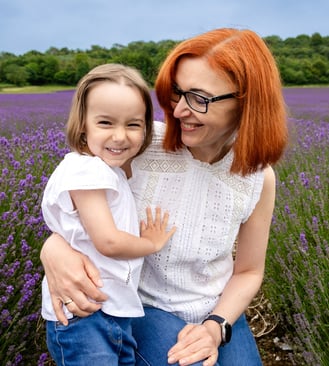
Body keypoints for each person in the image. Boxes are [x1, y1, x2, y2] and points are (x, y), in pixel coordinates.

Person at [40, 28, 288, 366]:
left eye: (199, 98)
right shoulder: (139, 144)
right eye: (176, 92)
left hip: (219, 309)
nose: (179, 110)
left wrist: (216, 327)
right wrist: (53, 247)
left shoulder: (258, 176)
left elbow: (248, 270)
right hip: (142, 307)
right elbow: (74, 191)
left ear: (247, 101)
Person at [41, 63, 176, 366]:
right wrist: (151, 244)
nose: (120, 136)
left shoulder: (108, 171)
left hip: (111, 310)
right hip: (85, 317)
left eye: (133, 124)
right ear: (83, 126)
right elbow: (108, 242)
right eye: (105, 123)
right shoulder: (87, 170)